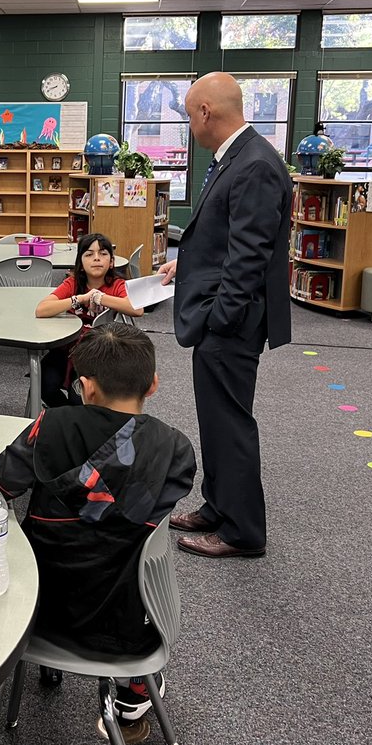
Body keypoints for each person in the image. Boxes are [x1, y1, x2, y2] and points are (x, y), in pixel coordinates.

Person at [0, 323, 195, 744]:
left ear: (84, 387)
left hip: (36, 613)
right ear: (154, 384)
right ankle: (134, 694)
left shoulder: (49, 428)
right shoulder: (176, 450)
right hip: (130, 623)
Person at [157, 72, 292, 559]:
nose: (190, 126)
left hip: (230, 322)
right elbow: (225, 237)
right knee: (215, 420)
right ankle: (218, 505)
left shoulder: (253, 164)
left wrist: (220, 318)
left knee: (230, 424)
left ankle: (241, 532)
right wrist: (187, 261)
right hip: (223, 313)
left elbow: (249, 257)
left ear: (206, 111)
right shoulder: (239, 157)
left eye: (190, 115)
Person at [34, 232, 142, 407]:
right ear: (81, 264)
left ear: (112, 262)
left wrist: (99, 297)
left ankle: (78, 419)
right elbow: (41, 309)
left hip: (97, 354)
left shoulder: (117, 285)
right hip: (65, 349)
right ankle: (71, 418)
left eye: (103, 254)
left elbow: (137, 309)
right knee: (43, 385)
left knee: (80, 397)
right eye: (89, 254)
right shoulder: (73, 283)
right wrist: (81, 298)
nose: (97, 258)